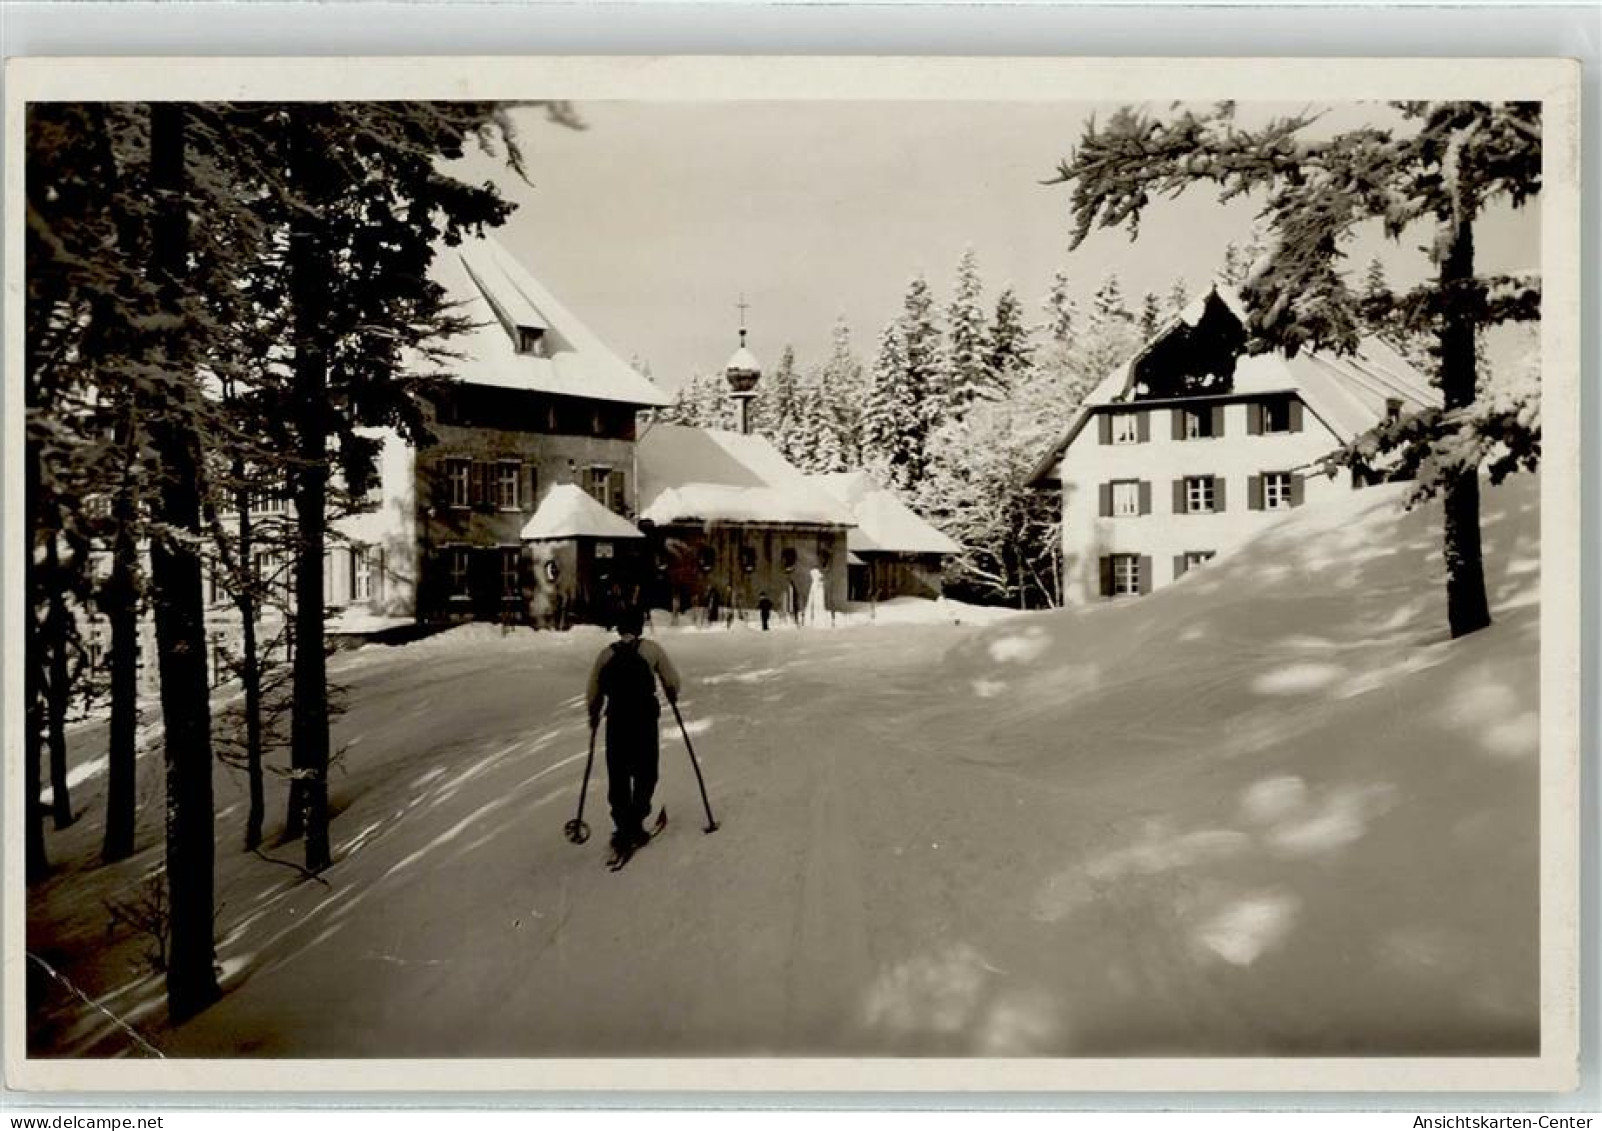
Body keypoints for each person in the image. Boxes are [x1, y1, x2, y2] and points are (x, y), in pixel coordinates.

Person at [586, 607, 682, 854]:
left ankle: (622, 826)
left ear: (619, 628)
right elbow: (673, 680)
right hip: (644, 719)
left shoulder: (606, 655)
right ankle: (636, 821)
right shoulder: (651, 650)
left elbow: (593, 691)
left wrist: (594, 714)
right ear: (639, 627)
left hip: (617, 720)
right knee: (645, 770)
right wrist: (671, 693)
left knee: (618, 773)